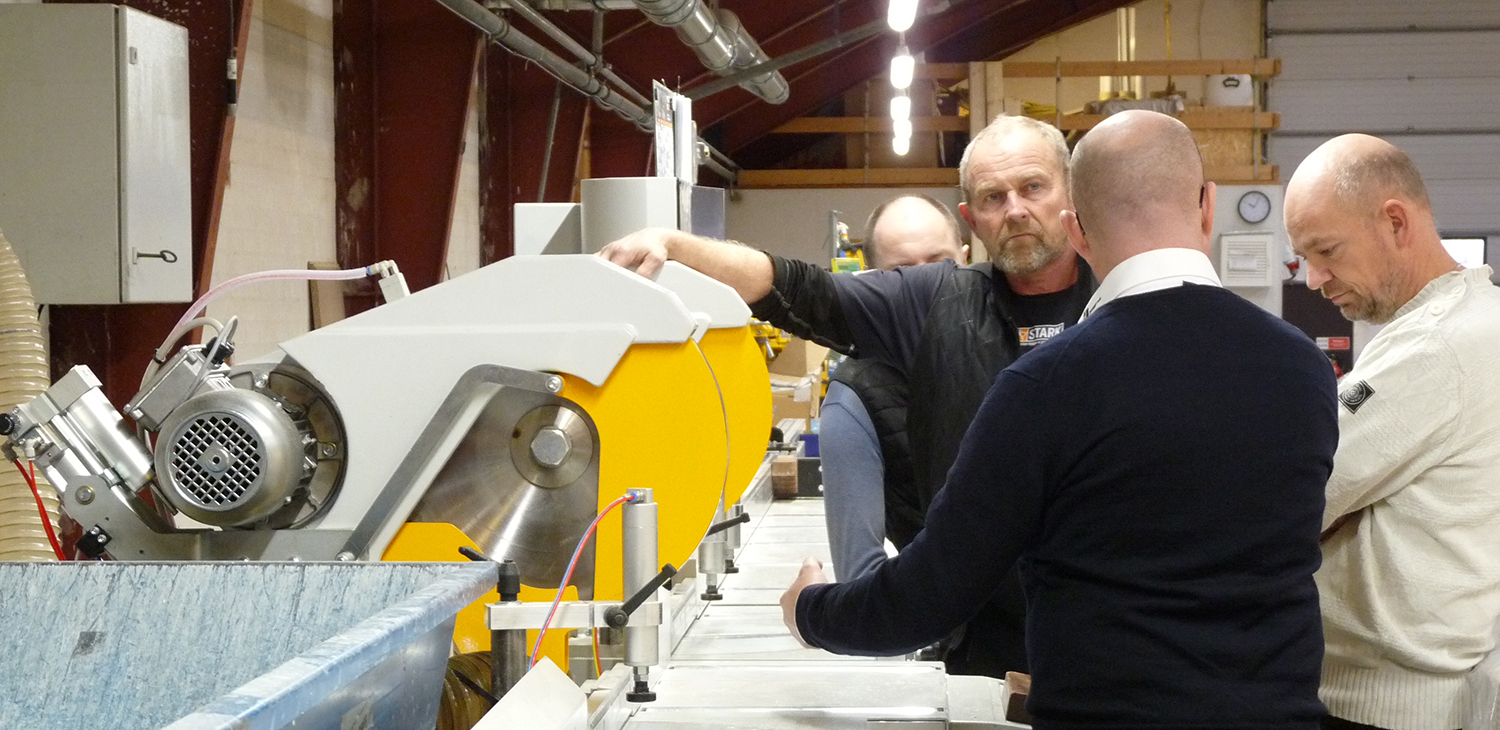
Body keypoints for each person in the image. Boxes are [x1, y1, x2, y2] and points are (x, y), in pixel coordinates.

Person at [781, 110, 1336, 728]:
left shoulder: (1046, 386)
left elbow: (927, 598)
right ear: (1208, 206)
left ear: (1077, 230)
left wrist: (812, 610)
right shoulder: (1305, 370)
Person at [598, 115, 1098, 677]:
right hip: (985, 649)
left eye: (1033, 187)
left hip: (1113, 635)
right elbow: (796, 288)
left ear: (1072, 191)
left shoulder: (1126, 298)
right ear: (971, 219)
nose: (1015, 210)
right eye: (993, 197)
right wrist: (672, 245)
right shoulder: (937, 300)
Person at [1284, 134, 1500, 730]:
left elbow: (1293, 496)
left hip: (1380, 704)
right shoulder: (1477, 317)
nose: (1313, 278)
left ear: (1396, 222)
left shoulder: (1438, 346)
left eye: (1326, 250)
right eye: (1303, 256)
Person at [824, 194, 967, 581]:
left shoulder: (1029, 345)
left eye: (938, 264)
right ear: (871, 280)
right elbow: (859, 582)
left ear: (966, 260)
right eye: (902, 272)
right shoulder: (855, 400)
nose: (924, 285)